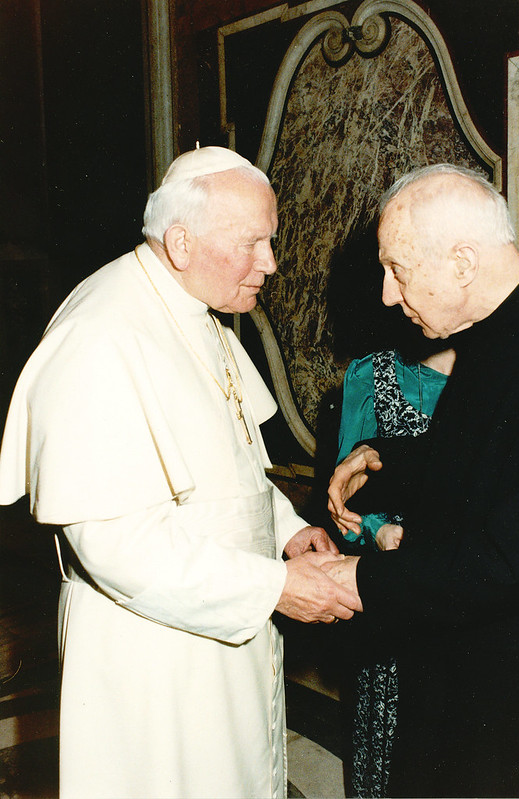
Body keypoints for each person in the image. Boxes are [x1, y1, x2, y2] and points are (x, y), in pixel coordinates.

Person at [0, 146, 361, 799]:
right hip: (152, 652)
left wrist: (283, 530)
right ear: (181, 241)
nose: (271, 263)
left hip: (222, 612)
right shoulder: (101, 334)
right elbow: (112, 545)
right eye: (252, 242)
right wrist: (272, 586)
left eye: (270, 241)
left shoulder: (193, 304)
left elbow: (231, 454)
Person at [325, 164, 519, 798]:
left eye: (397, 270)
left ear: (462, 262)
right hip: (475, 671)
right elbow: (484, 458)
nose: (385, 294)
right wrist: (384, 460)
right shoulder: (504, 328)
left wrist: (355, 579)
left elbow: (509, 559)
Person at [337, 343, 454, 797]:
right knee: (387, 754)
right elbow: (342, 508)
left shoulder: (501, 370)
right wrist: (377, 529)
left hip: (471, 602)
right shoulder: (374, 373)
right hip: (395, 602)